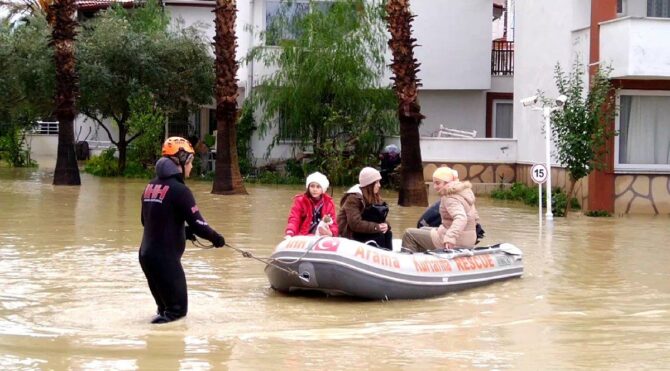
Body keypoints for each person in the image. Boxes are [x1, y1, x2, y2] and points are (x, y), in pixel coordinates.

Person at [139, 136, 225, 324]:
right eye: (191, 162)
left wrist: (182, 233)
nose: (192, 167)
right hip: (165, 260)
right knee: (176, 313)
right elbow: (199, 225)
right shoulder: (180, 190)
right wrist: (216, 238)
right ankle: (165, 350)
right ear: (181, 160)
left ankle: (153, 349)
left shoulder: (149, 187)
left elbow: (147, 222)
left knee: (164, 311)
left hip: (146, 256)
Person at [402, 167, 479, 252]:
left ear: (448, 182)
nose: (435, 187)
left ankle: (409, 260)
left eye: (438, 183)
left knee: (408, 234)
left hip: (457, 241)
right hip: (469, 238)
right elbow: (475, 217)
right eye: (434, 183)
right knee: (423, 229)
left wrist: (450, 238)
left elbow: (461, 218)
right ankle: (425, 257)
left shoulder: (449, 196)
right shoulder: (463, 193)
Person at [337, 167, 392, 249]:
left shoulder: (375, 197)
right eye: (376, 182)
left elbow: (380, 219)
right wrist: (377, 227)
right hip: (351, 234)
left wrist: (386, 225)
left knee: (388, 233)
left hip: (365, 230)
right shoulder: (353, 198)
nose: (379, 185)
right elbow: (355, 224)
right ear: (369, 184)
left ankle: (389, 257)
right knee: (378, 236)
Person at [284, 171, 338, 238]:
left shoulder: (329, 203)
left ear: (323, 189)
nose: (315, 189)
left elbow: (333, 223)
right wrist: (290, 232)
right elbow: (294, 219)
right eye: (312, 186)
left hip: (321, 236)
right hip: (303, 236)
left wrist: (332, 233)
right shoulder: (300, 201)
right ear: (308, 187)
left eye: (318, 187)